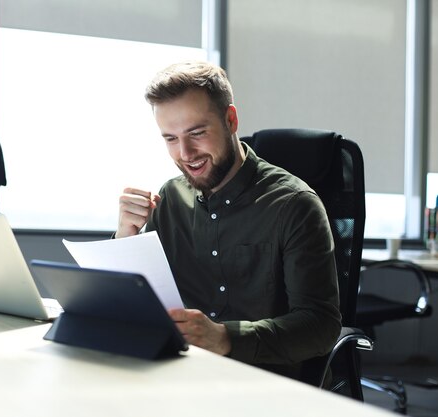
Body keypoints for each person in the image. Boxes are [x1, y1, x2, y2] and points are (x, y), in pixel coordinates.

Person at [117, 61, 341, 380]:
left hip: (261, 384)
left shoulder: (294, 205)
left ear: (230, 120)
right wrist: (125, 236)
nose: (185, 153)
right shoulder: (169, 200)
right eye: (170, 139)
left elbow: (320, 326)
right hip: (179, 375)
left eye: (197, 133)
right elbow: (128, 303)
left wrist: (225, 338)